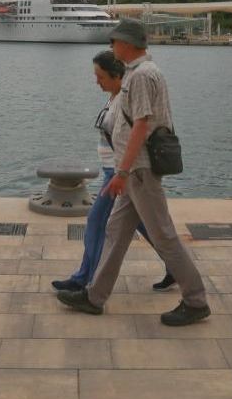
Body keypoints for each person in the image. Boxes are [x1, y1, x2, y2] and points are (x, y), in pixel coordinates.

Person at [56, 17, 210, 326]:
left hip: (138, 169)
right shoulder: (142, 73)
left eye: (114, 42)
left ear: (127, 43)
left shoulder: (140, 76)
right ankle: (94, 296)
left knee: (163, 235)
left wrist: (122, 171)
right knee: (116, 230)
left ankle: (195, 301)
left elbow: (141, 123)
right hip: (134, 169)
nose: (111, 47)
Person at [52, 50, 174, 294]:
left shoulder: (124, 100)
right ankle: (176, 267)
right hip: (115, 172)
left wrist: (122, 172)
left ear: (117, 76)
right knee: (144, 224)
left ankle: (84, 279)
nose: (96, 81)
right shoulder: (114, 96)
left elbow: (132, 136)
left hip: (118, 174)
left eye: (100, 76)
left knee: (96, 221)